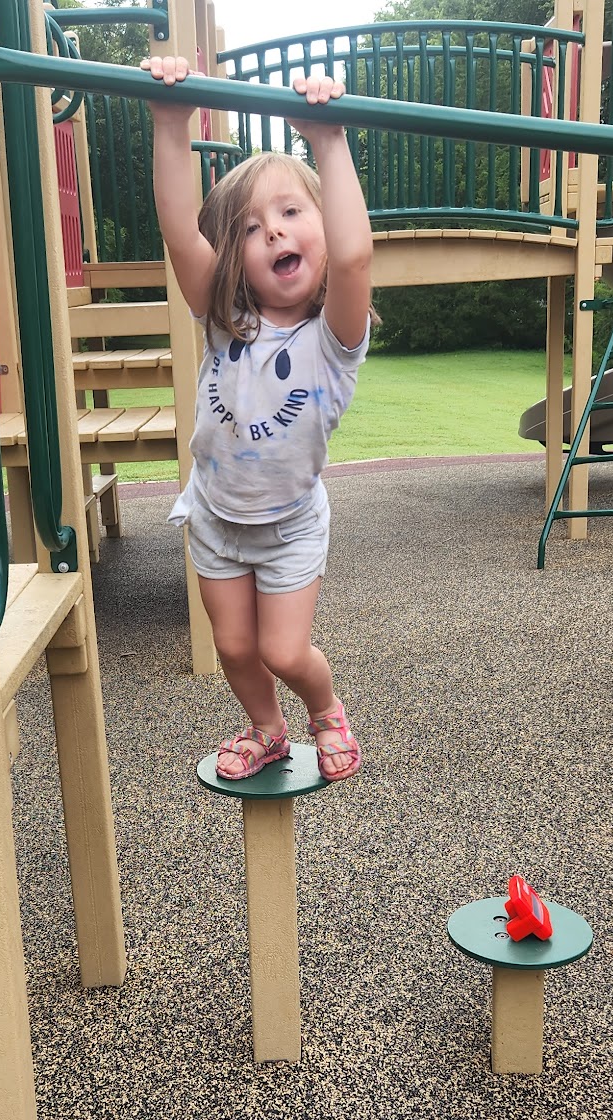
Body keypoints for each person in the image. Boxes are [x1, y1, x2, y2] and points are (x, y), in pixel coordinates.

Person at [142, 54, 374, 781]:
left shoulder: (332, 341)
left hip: (289, 525)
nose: (274, 232)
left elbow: (355, 256)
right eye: (250, 227)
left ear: (322, 229)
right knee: (236, 650)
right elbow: (181, 234)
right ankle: (267, 729)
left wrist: (327, 141)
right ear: (234, 258)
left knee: (283, 651)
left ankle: (324, 708)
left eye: (292, 213)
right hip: (215, 514)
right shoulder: (225, 318)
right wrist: (171, 124)